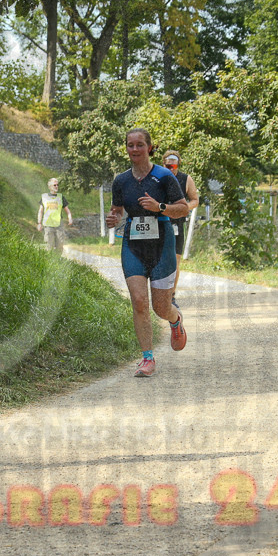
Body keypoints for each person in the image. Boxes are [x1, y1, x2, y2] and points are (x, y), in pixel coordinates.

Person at [106, 129, 190, 378]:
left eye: (140, 145)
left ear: (150, 148)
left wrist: (160, 207)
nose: (134, 150)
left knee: (160, 308)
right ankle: (147, 358)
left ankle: (175, 320)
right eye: (130, 145)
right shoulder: (121, 180)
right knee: (139, 301)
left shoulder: (164, 177)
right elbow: (117, 210)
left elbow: (183, 209)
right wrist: (114, 218)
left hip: (162, 243)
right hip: (133, 243)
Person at [162, 150, 199, 308]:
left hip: (177, 225)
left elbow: (195, 199)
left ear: (178, 164)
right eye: (168, 164)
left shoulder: (186, 179)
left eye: (174, 164)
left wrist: (185, 208)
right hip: (160, 223)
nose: (171, 167)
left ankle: (171, 296)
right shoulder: (157, 177)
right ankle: (159, 294)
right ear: (163, 163)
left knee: (175, 262)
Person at [37, 178, 73, 254]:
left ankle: (58, 261)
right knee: (49, 245)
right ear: (50, 186)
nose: (56, 186)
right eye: (54, 185)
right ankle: (49, 261)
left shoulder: (61, 197)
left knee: (60, 244)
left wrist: (70, 218)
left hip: (59, 225)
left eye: (57, 185)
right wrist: (39, 223)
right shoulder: (44, 197)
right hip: (48, 225)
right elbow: (40, 211)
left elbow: (67, 210)